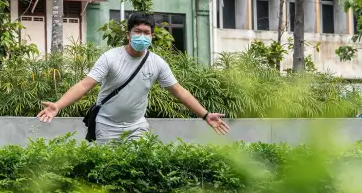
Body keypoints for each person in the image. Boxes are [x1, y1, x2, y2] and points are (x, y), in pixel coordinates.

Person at [36, 13, 230, 143]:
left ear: (152, 36)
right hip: (106, 126)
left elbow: (179, 92)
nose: (142, 36)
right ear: (128, 35)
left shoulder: (157, 63)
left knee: (138, 176)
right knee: (109, 177)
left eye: (146, 33)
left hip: (137, 127)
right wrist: (58, 105)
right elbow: (85, 85)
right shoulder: (111, 58)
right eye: (137, 32)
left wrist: (205, 115)